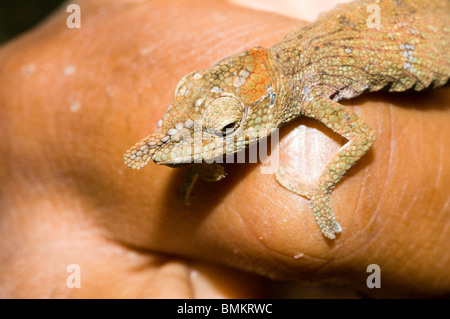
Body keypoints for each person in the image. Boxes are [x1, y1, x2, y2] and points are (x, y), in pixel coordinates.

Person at [0, 0, 448, 298]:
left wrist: (322, 187)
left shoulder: (308, 91)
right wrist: (207, 150)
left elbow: (363, 138)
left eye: (228, 127)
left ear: (272, 105)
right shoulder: (274, 65)